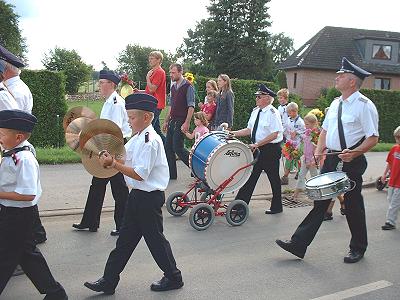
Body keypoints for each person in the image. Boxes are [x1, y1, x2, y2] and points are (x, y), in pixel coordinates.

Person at [276, 57, 379, 264]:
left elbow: (373, 137)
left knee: (352, 204)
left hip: (351, 161)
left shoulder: (364, 105)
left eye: (341, 75)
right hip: (332, 158)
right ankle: (298, 243)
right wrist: (320, 150)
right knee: (320, 202)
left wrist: (356, 152)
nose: (337, 77)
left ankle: (358, 247)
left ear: (352, 81)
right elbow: (324, 130)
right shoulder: (335, 103)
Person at [84, 93, 183, 295]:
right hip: (137, 197)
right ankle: (109, 281)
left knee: (155, 241)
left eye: (132, 118)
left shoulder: (150, 141)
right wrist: (107, 155)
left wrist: (114, 164)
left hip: (148, 198)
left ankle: (174, 277)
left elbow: (139, 174)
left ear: (146, 117)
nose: (129, 121)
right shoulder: (138, 137)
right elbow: (121, 155)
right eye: (128, 117)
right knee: (124, 242)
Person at [0, 109, 68, 299]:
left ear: (18, 136)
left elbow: (28, 194)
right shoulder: (11, 151)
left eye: (1, 134)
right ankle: (55, 292)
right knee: (27, 255)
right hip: (9, 211)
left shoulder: (25, 159)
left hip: (19, 215)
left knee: (5, 256)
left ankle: (56, 292)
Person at [73, 70, 131, 236]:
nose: (99, 86)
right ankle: (91, 221)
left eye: (102, 82)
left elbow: (114, 129)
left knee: (118, 188)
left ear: (111, 84)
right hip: (108, 144)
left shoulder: (116, 103)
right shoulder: (108, 102)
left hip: (114, 145)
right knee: (98, 185)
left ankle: (122, 225)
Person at [232, 84, 284, 214]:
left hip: (270, 150)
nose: (257, 99)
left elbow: (275, 134)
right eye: (256, 96)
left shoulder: (273, 113)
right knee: (250, 177)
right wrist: (233, 133)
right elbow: (249, 130)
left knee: (274, 179)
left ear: (267, 98)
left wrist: (257, 144)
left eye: (259, 96)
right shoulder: (256, 111)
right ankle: (240, 206)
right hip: (257, 148)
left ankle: (277, 206)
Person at [162, 63, 195, 180]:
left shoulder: (188, 86)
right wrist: (166, 121)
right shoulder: (173, 87)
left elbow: (191, 107)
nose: (171, 75)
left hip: (181, 120)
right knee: (168, 147)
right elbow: (171, 106)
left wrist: (186, 123)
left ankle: (195, 168)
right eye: (170, 73)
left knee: (178, 148)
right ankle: (172, 174)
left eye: (173, 73)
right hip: (173, 120)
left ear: (180, 72)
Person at [291, 113, 319, 201]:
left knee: (314, 177)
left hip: (312, 160)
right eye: (305, 124)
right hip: (306, 158)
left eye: (307, 124)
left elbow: (316, 148)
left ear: (314, 123)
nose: (305, 126)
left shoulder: (316, 135)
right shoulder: (307, 133)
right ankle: (295, 195)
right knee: (301, 175)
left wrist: (311, 161)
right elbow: (302, 143)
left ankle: (317, 195)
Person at [143, 51, 167, 144]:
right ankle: (168, 148)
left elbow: (152, 89)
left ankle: (151, 149)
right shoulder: (154, 72)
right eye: (149, 58)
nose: (150, 60)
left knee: (148, 129)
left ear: (159, 60)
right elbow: (150, 89)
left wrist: (147, 78)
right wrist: (139, 91)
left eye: (152, 58)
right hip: (152, 103)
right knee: (156, 130)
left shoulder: (159, 72)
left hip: (155, 105)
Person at [381, 126, 400, 230]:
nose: (398, 140)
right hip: (393, 180)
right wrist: (384, 174)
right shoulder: (395, 148)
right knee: (390, 199)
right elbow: (390, 162)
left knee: (394, 203)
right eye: (397, 138)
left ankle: (390, 222)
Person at [281, 102, 305, 185]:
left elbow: (304, 133)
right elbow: (285, 128)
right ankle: (291, 175)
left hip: (296, 144)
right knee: (291, 159)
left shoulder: (300, 122)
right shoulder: (288, 119)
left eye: (289, 112)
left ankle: (290, 175)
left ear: (295, 111)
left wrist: (297, 133)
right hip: (289, 143)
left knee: (293, 159)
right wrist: (281, 133)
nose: (288, 114)